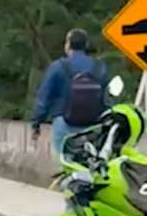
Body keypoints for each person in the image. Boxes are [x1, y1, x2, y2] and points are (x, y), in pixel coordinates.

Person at [31, 28, 110, 156]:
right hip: (93, 125)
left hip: (64, 123)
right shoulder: (99, 67)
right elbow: (107, 98)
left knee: (66, 161)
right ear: (86, 45)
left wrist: (36, 123)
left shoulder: (58, 66)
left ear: (68, 45)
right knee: (90, 160)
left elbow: (44, 98)